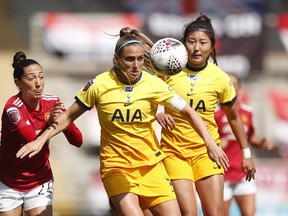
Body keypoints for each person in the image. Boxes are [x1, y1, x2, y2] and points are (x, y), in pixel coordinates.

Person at [15, 27, 229, 216]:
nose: (136, 65)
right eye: (129, 59)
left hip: (151, 166)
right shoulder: (99, 85)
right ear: (116, 59)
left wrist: (210, 144)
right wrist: (40, 139)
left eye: (139, 59)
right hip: (117, 167)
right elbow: (68, 116)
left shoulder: (154, 84)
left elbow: (190, 112)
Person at [155, 13, 256, 216]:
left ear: (212, 46)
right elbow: (149, 99)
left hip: (207, 153)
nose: (196, 47)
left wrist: (247, 154)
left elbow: (234, 117)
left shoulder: (220, 78)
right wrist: (158, 111)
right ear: (183, 45)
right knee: (188, 212)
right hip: (175, 153)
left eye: (202, 42)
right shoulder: (167, 72)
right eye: (191, 41)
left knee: (215, 213)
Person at [0, 51, 83, 216]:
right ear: (19, 83)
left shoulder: (52, 102)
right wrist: (51, 123)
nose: (38, 83)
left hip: (40, 180)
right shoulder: (13, 108)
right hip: (9, 182)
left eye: (41, 77)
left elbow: (77, 140)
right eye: (31, 79)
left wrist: (63, 120)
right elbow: (32, 142)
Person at [214, 73, 273, 216]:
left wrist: (260, 143)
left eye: (233, 85)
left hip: (243, 173)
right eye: (228, 85)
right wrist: (218, 144)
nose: (230, 88)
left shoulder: (247, 111)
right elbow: (204, 141)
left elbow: (250, 137)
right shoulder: (213, 113)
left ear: (239, 89)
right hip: (222, 174)